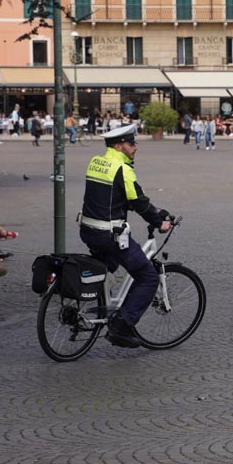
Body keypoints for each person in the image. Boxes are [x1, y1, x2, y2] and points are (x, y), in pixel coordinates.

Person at [79, 125, 172, 348]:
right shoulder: (122, 169)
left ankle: (103, 303)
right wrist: (159, 222)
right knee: (148, 277)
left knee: (106, 267)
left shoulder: (95, 162)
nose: (135, 147)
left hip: (88, 230)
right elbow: (139, 202)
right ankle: (121, 326)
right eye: (131, 144)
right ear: (119, 146)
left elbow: (111, 197)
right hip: (109, 236)